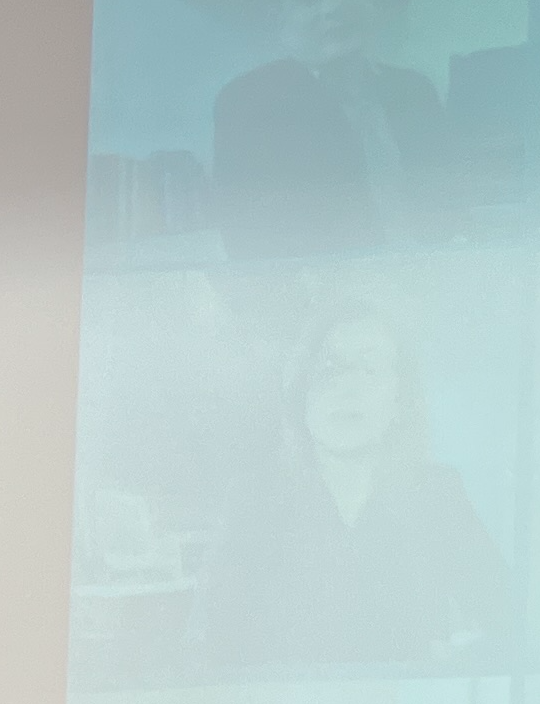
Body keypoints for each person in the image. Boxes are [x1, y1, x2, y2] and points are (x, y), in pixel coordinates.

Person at [191, 301, 512, 670]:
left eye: (370, 368)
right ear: (301, 390)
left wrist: (459, 661)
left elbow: (507, 624)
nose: (349, 387)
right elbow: (208, 646)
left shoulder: (438, 496)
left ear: (399, 398)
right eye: (330, 368)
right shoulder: (253, 500)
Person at [210, 0, 458, 260]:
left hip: (429, 270)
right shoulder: (250, 101)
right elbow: (248, 235)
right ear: (278, 14)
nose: (332, 8)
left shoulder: (415, 91)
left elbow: (452, 199)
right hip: (329, 285)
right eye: (309, 3)